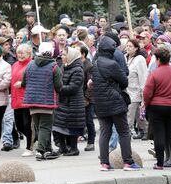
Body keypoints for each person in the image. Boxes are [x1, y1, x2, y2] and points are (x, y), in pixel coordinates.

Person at [92, 36, 140, 171]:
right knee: (124, 131)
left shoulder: (95, 63)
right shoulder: (112, 64)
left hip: (100, 102)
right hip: (115, 102)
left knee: (104, 133)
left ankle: (104, 163)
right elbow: (124, 81)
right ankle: (128, 162)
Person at [143, 47, 171, 170]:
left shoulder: (154, 74)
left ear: (158, 59)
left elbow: (147, 93)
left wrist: (148, 105)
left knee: (159, 135)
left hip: (157, 107)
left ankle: (160, 163)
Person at [22, 42, 63, 160]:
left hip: (31, 101)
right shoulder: (54, 67)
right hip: (47, 101)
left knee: (39, 127)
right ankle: (40, 151)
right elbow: (59, 86)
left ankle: (47, 149)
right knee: (45, 127)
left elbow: (24, 82)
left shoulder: (30, 65)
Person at [53, 46, 86, 156]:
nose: (62, 57)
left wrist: (58, 88)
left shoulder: (78, 70)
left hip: (73, 103)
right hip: (62, 102)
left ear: (71, 56)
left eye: (64, 55)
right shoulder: (64, 67)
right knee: (58, 127)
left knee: (72, 128)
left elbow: (73, 88)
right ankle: (62, 148)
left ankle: (74, 149)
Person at [10, 44, 34, 157]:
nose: (19, 55)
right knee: (19, 125)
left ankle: (29, 147)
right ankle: (35, 138)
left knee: (27, 124)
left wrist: (23, 83)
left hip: (27, 98)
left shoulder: (31, 65)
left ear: (29, 54)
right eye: (18, 52)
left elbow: (35, 80)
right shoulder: (14, 65)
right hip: (16, 98)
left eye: (22, 53)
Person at [125, 39, 149, 139]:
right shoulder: (125, 57)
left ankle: (143, 131)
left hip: (136, 90)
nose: (128, 48)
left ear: (136, 48)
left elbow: (143, 77)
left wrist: (144, 93)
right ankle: (142, 130)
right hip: (126, 89)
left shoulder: (140, 59)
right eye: (127, 46)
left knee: (132, 114)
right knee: (137, 114)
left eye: (130, 46)